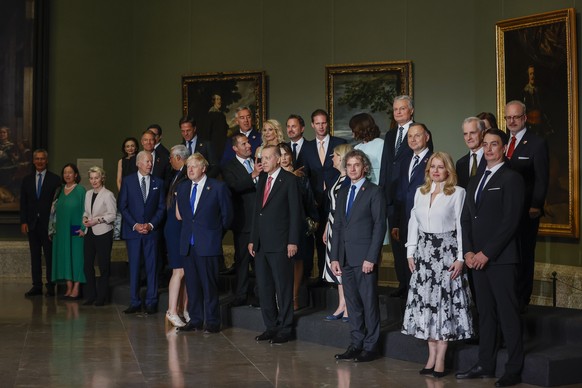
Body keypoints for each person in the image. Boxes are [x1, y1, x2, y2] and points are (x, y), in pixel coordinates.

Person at [456, 128, 525, 387]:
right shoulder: (475, 180)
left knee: (508, 313)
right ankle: (485, 363)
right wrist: (469, 252)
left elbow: (510, 222)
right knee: (485, 314)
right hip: (476, 259)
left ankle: (513, 369)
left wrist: (487, 253)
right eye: (485, 144)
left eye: (494, 144)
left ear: (504, 148)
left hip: (501, 259)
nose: (488, 149)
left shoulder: (511, 178)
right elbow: (465, 220)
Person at [401, 152, 474, 378]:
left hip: (447, 255)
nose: (435, 170)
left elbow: (462, 227)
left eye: (440, 167)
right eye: (432, 166)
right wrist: (410, 252)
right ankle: (430, 357)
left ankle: (441, 359)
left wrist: (461, 257)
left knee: (443, 306)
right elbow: (413, 222)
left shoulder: (458, 193)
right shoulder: (420, 193)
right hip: (424, 255)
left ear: (448, 170)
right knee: (427, 306)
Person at [330, 149, 386, 362]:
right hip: (345, 258)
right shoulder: (343, 192)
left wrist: (371, 257)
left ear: (365, 168)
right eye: (349, 165)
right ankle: (356, 344)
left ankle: (371, 347)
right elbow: (337, 227)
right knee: (352, 304)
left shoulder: (374, 191)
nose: (352, 168)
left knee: (368, 303)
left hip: (364, 259)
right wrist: (334, 257)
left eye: (356, 165)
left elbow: (379, 226)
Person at [378, 95, 433, 298]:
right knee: (397, 242)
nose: (398, 112)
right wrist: (383, 190)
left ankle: (415, 284)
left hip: (412, 197)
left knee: (414, 241)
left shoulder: (420, 133)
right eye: (395, 109)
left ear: (411, 111)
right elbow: (386, 163)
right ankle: (403, 282)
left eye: (402, 109)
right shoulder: (391, 134)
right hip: (393, 196)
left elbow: (427, 165)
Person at [249, 145, 301, 344]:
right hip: (261, 244)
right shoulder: (262, 178)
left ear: (278, 159)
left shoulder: (290, 180)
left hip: (281, 243)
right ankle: (271, 327)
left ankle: (285, 328)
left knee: (283, 288)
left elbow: (296, 213)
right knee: (264, 288)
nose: (264, 161)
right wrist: (253, 239)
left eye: (268, 158)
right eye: (262, 158)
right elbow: (257, 212)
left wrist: (292, 241)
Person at [175, 153, 233, 333]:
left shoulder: (217, 187)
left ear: (203, 168)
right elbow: (185, 217)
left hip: (208, 245)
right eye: (188, 166)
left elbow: (228, 217)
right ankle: (196, 319)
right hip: (188, 245)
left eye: (193, 166)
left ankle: (213, 322)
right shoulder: (183, 188)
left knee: (209, 286)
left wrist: (214, 235)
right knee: (192, 286)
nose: (189, 170)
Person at [504, 100, 549, 311]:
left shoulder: (536, 143)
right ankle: (510, 296)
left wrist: (536, 205)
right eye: (508, 117)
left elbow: (542, 178)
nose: (512, 121)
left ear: (524, 118)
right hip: (505, 212)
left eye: (516, 117)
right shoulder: (502, 142)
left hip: (526, 212)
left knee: (524, 254)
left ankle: (522, 299)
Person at [301, 109, 347, 281]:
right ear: (312, 125)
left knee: (335, 238)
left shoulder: (339, 142)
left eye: (324, 123)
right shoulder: (306, 147)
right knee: (318, 239)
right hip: (314, 201)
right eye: (317, 123)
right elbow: (304, 174)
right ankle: (321, 276)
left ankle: (335, 276)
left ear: (328, 123)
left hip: (335, 198)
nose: (321, 126)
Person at [118, 151, 166, 314]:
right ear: (138, 163)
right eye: (147, 161)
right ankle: (134, 301)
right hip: (133, 232)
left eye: (151, 161)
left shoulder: (158, 182)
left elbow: (161, 207)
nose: (150, 164)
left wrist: (151, 225)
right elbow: (122, 206)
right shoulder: (128, 181)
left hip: (151, 232)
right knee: (134, 267)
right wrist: (136, 225)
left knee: (152, 267)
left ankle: (151, 301)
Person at [391, 123, 432, 297]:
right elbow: (400, 194)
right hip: (406, 222)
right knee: (409, 264)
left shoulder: (433, 160)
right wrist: (397, 223)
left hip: (426, 224)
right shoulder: (405, 161)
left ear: (427, 137)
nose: (413, 139)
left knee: (424, 267)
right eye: (410, 136)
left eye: (417, 135)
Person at [222, 134, 262, 306]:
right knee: (243, 260)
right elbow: (234, 186)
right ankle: (241, 295)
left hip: (261, 221)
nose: (248, 145)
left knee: (260, 261)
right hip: (244, 221)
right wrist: (253, 174)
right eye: (243, 144)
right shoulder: (228, 167)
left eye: (248, 142)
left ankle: (260, 295)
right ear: (235, 148)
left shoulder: (257, 161)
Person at [279, 142, 318, 310]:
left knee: (298, 260)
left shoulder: (300, 176)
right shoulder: (273, 177)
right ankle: (281, 297)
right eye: (281, 155)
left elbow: (309, 200)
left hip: (299, 223)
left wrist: (315, 220)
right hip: (279, 226)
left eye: (287, 154)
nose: (284, 158)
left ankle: (294, 298)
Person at [20, 149, 61, 297]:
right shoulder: (27, 180)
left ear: (46, 161)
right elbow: (23, 203)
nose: (39, 161)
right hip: (32, 224)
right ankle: (36, 286)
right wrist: (23, 221)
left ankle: (51, 286)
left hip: (48, 226)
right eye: (37, 159)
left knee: (50, 256)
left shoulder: (55, 179)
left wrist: (55, 225)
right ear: (33, 161)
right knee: (35, 256)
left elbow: (57, 205)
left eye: (42, 159)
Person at [322, 143, 352, 321]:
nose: (331, 158)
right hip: (333, 223)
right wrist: (327, 227)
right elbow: (332, 206)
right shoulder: (337, 178)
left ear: (341, 157)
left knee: (342, 263)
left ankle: (349, 305)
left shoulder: (349, 179)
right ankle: (341, 303)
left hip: (342, 226)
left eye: (334, 155)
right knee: (336, 266)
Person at [82, 166, 116, 306]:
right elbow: (86, 211)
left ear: (102, 178)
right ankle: (90, 296)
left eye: (96, 178)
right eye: (91, 178)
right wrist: (84, 219)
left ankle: (101, 297)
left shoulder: (108, 194)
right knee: (87, 265)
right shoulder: (88, 193)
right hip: (89, 232)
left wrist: (97, 220)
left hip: (103, 233)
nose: (94, 181)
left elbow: (112, 215)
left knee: (103, 266)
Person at [51, 163, 87, 299]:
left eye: (70, 172)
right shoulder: (59, 190)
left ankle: (77, 287)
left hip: (76, 230)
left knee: (77, 258)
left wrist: (84, 228)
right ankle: (69, 286)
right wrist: (52, 230)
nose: (67, 175)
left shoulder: (80, 190)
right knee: (64, 257)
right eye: (65, 172)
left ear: (76, 175)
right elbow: (53, 213)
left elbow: (86, 210)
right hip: (61, 231)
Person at [164, 145, 189, 327]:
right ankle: (172, 310)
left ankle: (183, 309)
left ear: (179, 158)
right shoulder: (179, 177)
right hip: (175, 228)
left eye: (171, 158)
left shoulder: (183, 176)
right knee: (178, 270)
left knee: (185, 272)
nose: (170, 161)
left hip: (180, 229)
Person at [351, 113, 384, 185]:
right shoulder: (357, 147)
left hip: (376, 187)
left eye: (353, 129)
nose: (352, 132)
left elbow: (384, 170)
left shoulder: (380, 144)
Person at [455, 117, 487, 189]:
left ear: (482, 134)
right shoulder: (460, 164)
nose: (468, 138)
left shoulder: (491, 159)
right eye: (465, 134)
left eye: (472, 133)